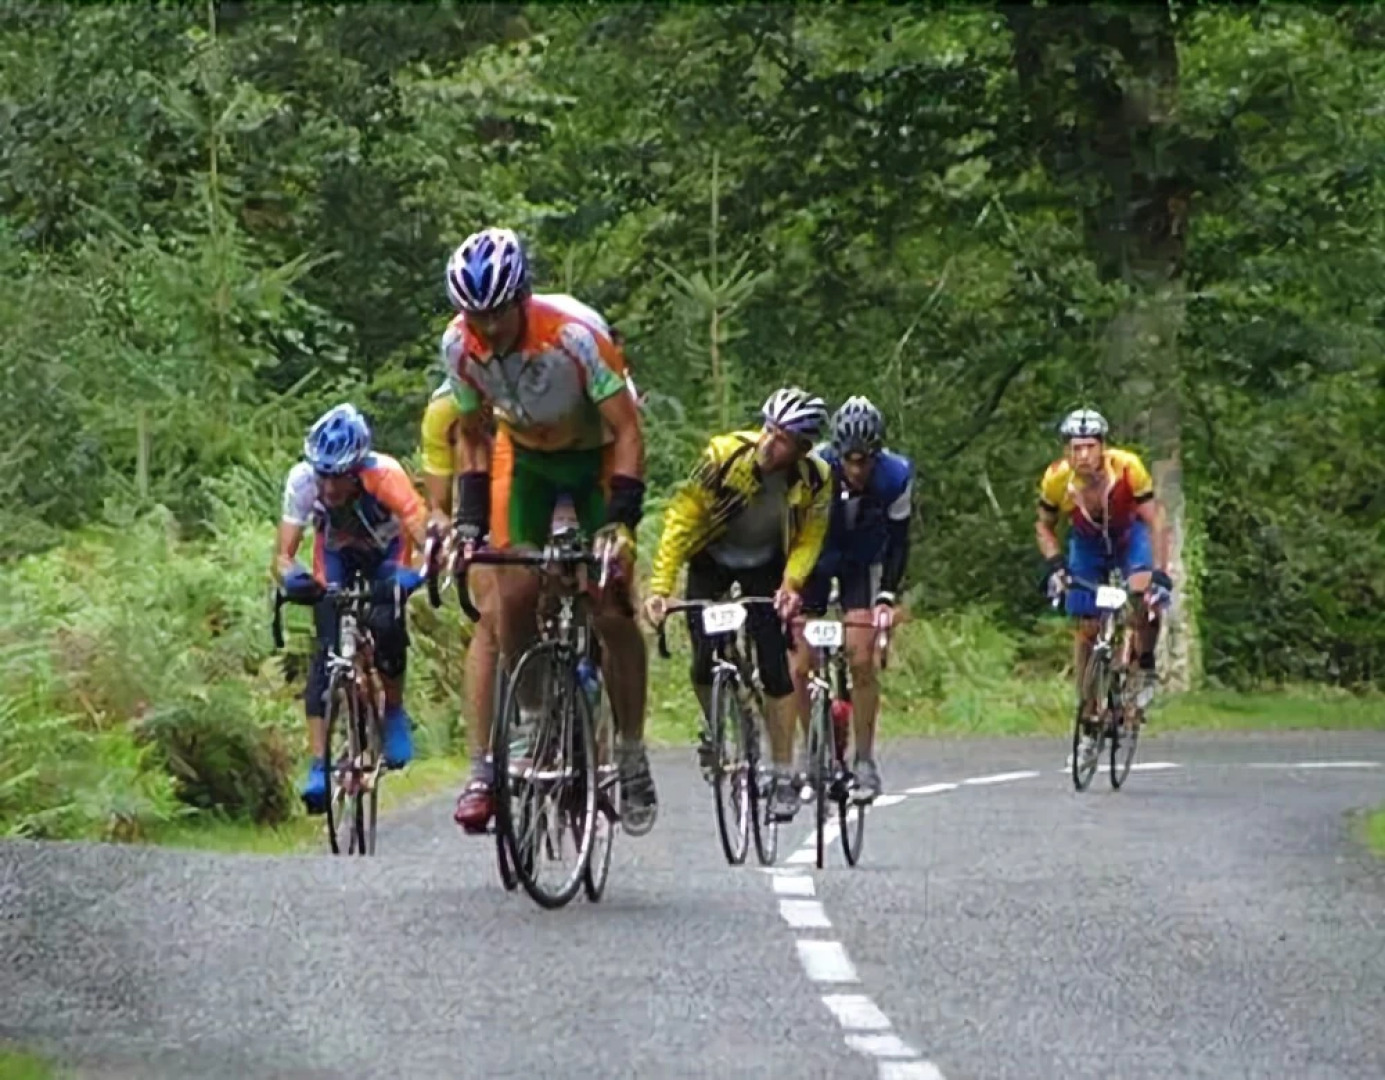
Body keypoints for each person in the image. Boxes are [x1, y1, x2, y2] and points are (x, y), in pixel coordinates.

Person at [437, 227, 658, 837]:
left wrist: (620, 521)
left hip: (596, 456)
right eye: (475, 315)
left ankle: (631, 753)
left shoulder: (573, 336)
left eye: (497, 314)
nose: (486, 328)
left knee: (610, 605)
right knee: (511, 592)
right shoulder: (459, 346)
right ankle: (533, 720)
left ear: (522, 299)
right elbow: (473, 435)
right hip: (528, 460)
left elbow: (629, 432)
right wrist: (469, 521)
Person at [644, 387, 832, 824]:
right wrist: (661, 587)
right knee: (702, 661)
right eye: (768, 429)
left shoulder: (817, 478)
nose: (769, 442)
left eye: (782, 439)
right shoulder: (722, 456)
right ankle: (717, 728)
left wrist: (791, 584)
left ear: (802, 448)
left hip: (765, 564)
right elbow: (681, 519)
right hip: (711, 557)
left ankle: (782, 772)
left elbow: (810, 537)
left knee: (775, 667)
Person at [274, 403, 429, 813]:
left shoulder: (386, 476)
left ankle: (393, 713)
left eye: (338, 476)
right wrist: (292, 578)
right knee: (326, 655)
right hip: (336, 556)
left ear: (357, 469)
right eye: (322, 475)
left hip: (387, 554)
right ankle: (319, 765)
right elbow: (283, 556)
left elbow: (425, 538)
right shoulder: (302, 481)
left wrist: (415, 574)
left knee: (386, 621)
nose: (328, 488)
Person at [790, 395, 913, 802]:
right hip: (816, 558)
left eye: (866, 461)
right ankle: (813, 751)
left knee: (861, 658)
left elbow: (899, 543)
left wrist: (886, 596)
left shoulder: (896, 476)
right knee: (800, 664)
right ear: (838, 453)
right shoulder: (813, 470)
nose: (858, 470)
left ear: (879, 454)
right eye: (850, 461)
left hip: (863, 562)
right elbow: (790, 532)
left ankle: (864, 759)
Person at [1035, 408, 1173, 762]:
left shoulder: (1128, 468)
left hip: (1129, 537)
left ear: (1102, 447)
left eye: (1089, 447)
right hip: (1088, 544)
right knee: (1088, 626)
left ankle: (1144, 664)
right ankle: (1088, 713)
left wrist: (1160, 572)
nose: (1083, 455)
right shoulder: (1056, 479)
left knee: (1144, 595)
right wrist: (1054, 564)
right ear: (1066, 451)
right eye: (1075, 447)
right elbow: (1044, 525)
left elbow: (1155, 519)